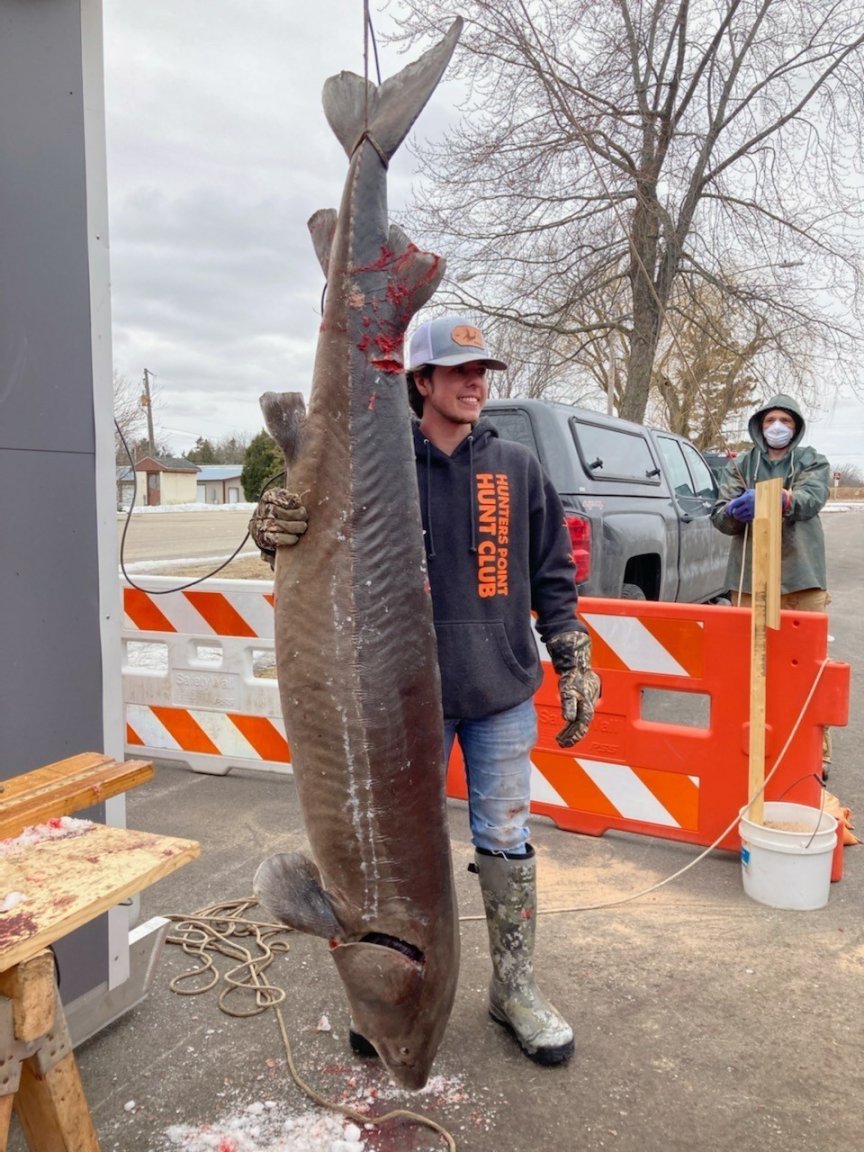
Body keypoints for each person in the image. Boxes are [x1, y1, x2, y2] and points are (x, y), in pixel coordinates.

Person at [250, 314, 600, 1066]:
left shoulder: (517, 468)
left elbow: (554, 578)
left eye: (484, 373)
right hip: (401, 706)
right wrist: (274, 524)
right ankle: (383, 993)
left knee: (505, 841)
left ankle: (515, 989)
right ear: (422, 381)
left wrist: (573, 656)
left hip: (500, 691)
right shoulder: (379, 466)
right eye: (460, 371)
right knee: (383, 860)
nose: (477, 383)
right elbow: (314, 546)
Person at [710, 392, 832, 769]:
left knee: (809, 669)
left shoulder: (811, 460)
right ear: (759, 426)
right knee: (752, 666)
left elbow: (813, 498)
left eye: (785, 421)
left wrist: (782, 499)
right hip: (749, 581)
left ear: (795, 426)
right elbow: (719, 514)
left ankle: (816, 752)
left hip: (802, 578)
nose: (777, 427)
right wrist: (733, 510)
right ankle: (752, 746)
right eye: (769, 421)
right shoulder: (741, 464)